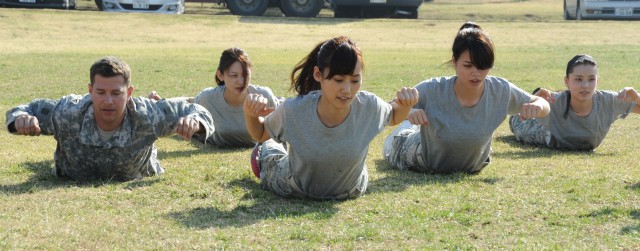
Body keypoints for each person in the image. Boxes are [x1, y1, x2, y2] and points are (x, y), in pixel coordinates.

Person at [243, 36, 419, 200]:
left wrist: (406, 104)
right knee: (269, 150)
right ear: (318, 74)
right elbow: (259, 133)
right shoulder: (293, 110)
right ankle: (266, 150)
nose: (347, 90)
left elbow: (395, 116)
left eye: (355, 80)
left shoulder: (369, 106)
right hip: (294, 186)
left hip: (351, 189)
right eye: (338, 80)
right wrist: (250, 114)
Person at [5, 56, 214, 181]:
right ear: (90, 90)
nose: (108, 101)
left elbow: (197, 110)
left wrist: (194, 121)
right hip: (69, 177)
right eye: (100, 92)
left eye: (116, 93)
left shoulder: (148, 115)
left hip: (140, 175)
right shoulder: (67, 112)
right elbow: (26, 108)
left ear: (129, 92)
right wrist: (21, 118)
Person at [383, 22, 550, 174]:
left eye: (483, 66)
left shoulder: (500, 90)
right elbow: (388, 112)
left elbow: (541, 103)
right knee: (402, 133)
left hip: (472, 166)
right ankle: (406, 130)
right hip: (415, 153)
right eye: (468, 65)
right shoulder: (433, 88)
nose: (476, 73)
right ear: (455, 62)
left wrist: (539, 106)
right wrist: (408, 110)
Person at [149, 47, 279, 147]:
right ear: (220, 75)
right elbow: (187, 103)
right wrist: (161, 104)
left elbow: (283, 125)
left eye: (245, 75)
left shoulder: (264, 96)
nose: (241, 81)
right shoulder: (208, 98)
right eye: (234, 75)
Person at [509, 54, 640, 151]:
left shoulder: (609, 101)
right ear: (567, 81)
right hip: (544, 133)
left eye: (591, 79)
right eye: (578, 79)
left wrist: (637, 97)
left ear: (597, 81)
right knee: (519, 125)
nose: (585, 85)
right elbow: (519, 111)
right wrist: (533, 100)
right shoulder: (554, 101)